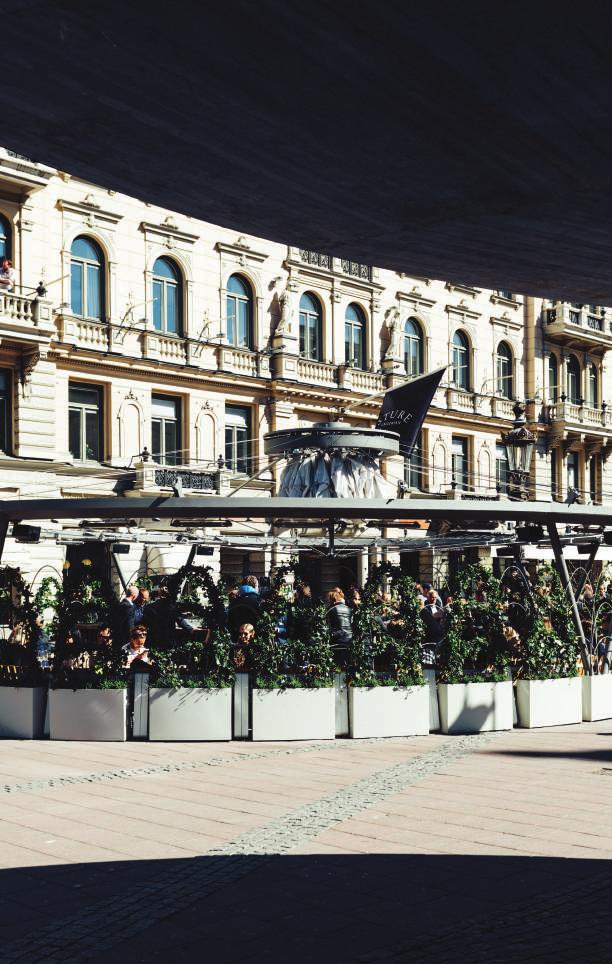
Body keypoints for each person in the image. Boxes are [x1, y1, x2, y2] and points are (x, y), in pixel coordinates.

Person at [326, 588, 353, 664]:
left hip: (337, 639)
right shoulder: (349, 609)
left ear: (332, 600)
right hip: (349, 638)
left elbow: (326, 625)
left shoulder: (331, 610)